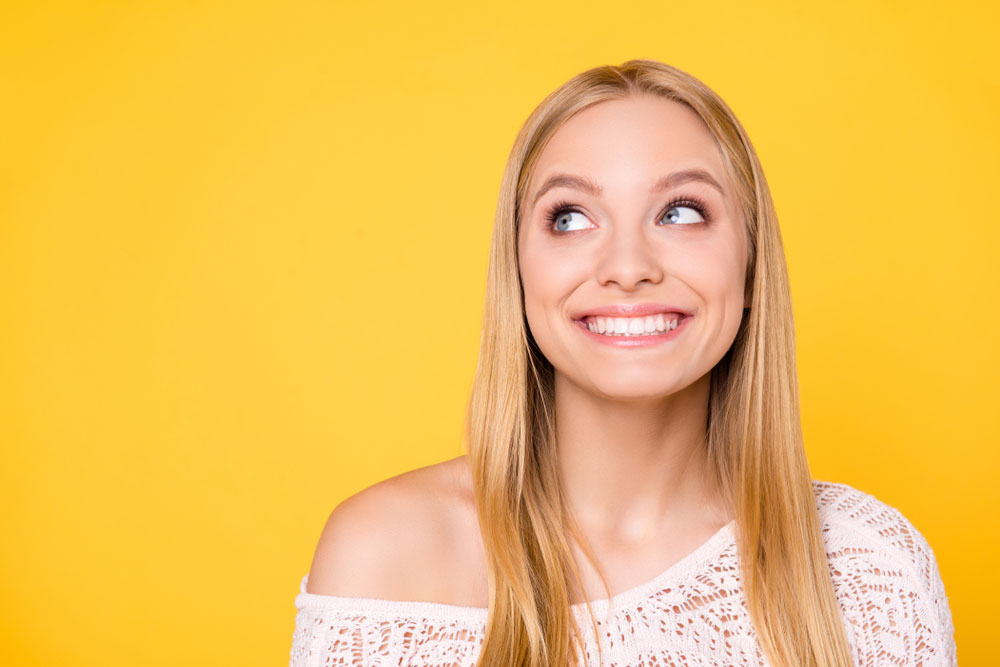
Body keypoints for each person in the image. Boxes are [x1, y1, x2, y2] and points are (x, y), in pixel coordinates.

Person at [288, 59, 957, 667]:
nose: (629, 267)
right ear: (517, 271)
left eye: (681, 212)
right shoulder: (384, 558)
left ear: (752, 267)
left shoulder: (870, 569)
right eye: (571, 218)